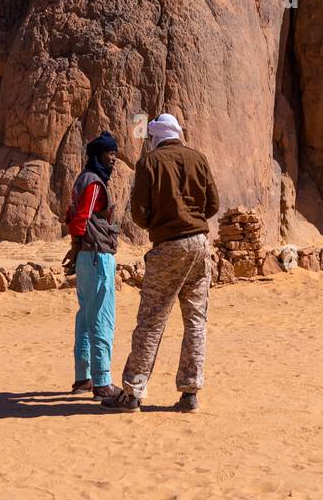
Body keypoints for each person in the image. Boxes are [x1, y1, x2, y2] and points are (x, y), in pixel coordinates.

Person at [102, 113, 219, 414]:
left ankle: (132, 393)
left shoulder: (149, 163)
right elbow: (213, 205)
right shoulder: (199, 158)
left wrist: (162, 221)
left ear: (156, 136)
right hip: (200, 246)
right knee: (195, 321)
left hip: (168, 246)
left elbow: (139, 214)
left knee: (151, 321)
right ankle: (190, 393)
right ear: (177, 133)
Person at [64, 132, 121, 399]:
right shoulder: (95, 183)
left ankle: (82, 377)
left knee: (86, 316)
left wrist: (76, 249)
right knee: (101, 318)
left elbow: (70, 214)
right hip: (97, 256)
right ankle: (102, 382)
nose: (114, 160)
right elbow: (81, 218)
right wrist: (77, 246)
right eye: (110, 154)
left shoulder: (82, 180)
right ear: (98, 155)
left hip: (86, 257)